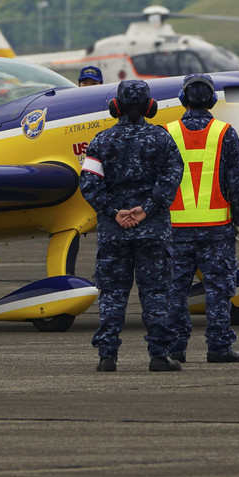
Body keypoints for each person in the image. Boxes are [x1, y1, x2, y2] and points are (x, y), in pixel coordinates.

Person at [79, 80, 184, 372]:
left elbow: (88, 184)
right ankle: (159, 356)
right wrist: (146, 210)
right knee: (156, 294)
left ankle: (107, 356)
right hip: (153, 231)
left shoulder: (100, 141)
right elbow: (172, 177)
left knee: (112, 294)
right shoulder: (162, 139)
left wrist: (115, 212)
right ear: (151, 107)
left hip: (114, 233)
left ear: (116, 107)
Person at [164, 74, 239, 363]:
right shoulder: (225, 133)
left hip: (175, 230)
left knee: (174, 290)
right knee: (218, 290)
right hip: (217, 230)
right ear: (213, 100)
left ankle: (175, 348)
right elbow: (237, 183)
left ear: (182, 99)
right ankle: (218, 347)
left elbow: (157, 183)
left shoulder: (168, 132)